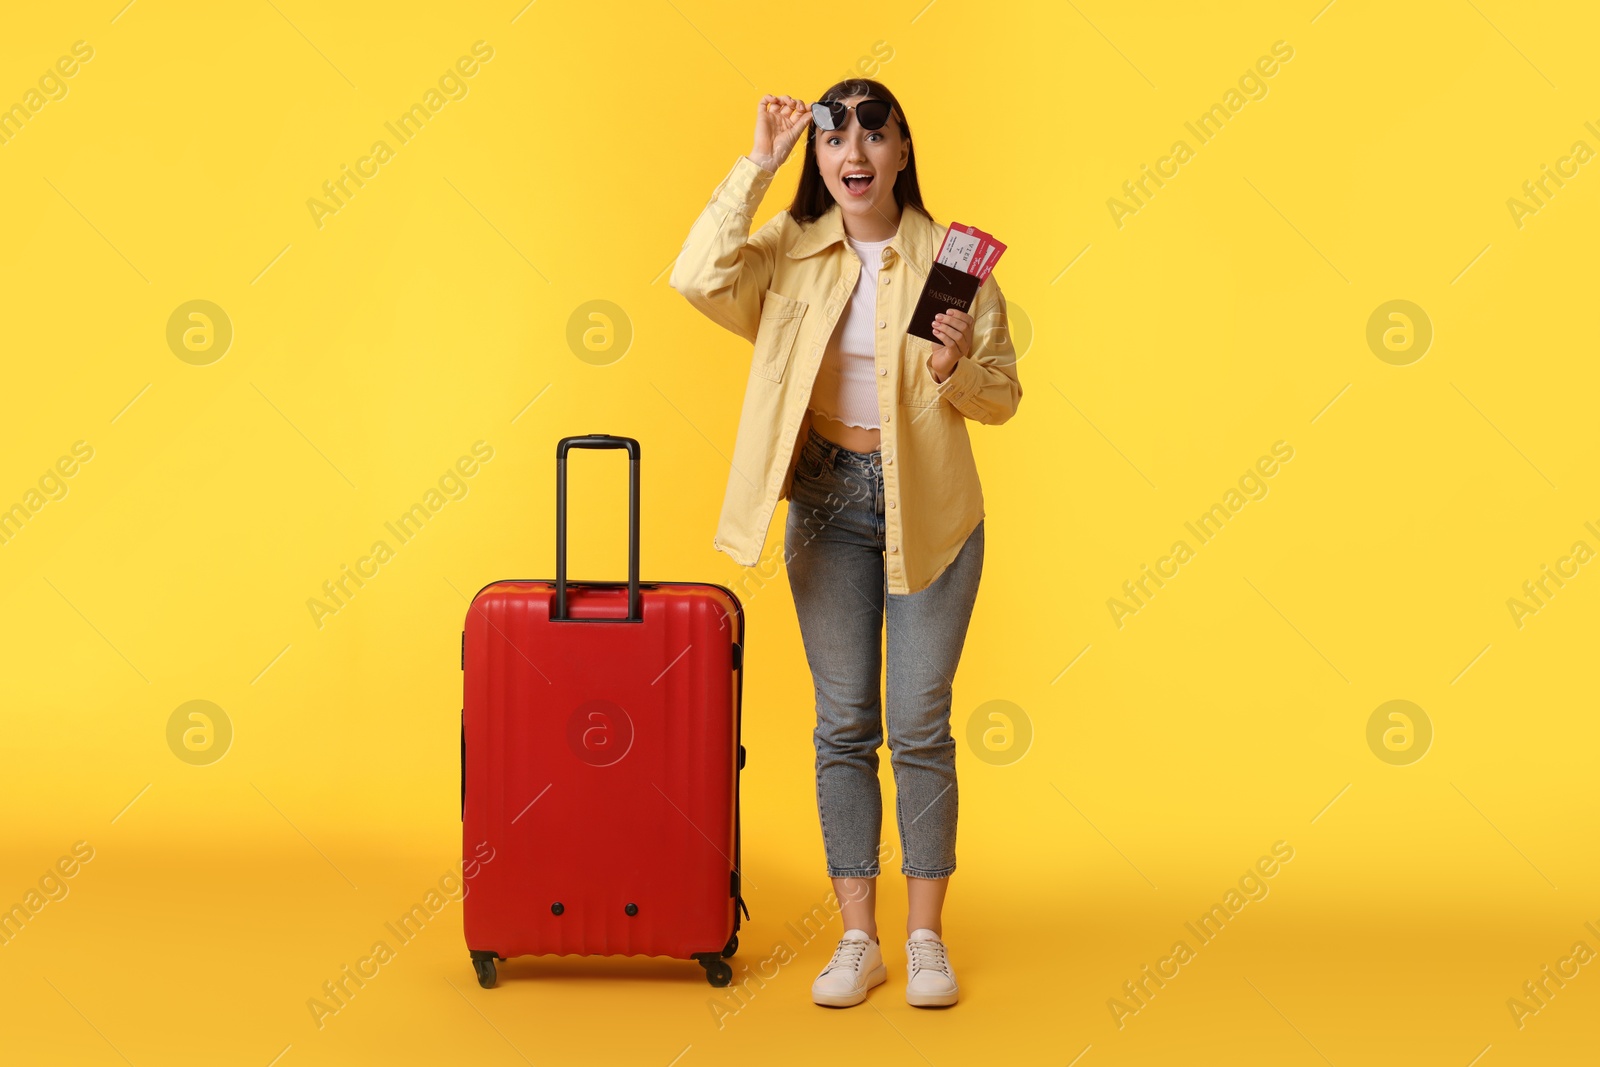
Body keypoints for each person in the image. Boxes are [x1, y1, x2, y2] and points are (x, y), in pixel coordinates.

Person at [670, 78, 1022, 1009]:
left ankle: (926, 939)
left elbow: (1004, 396)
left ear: (904, 151)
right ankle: (858, 938)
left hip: (933, 513)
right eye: (835, 136)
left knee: (918, 726)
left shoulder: (956, 264)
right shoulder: (789, 250)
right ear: (821, 159)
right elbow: (698, 277)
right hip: (825, 502)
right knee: (843, 725)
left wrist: (955, 366)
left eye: (876, 131)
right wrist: (757, 163)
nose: (854, 149)